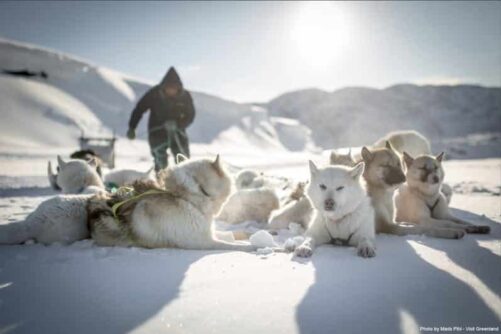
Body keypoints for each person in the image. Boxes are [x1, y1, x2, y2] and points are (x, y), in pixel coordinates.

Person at [127, 67, 195, 171]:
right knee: (160, 163)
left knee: (183, 160)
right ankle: (160, 181)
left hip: (178, 133)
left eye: (174, 88)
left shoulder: (185, 96)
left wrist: (179, 124)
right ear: (164, 86)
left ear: (178, 88)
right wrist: (132, 127)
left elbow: (191, 114)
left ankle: (185, 183)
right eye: (169, 88)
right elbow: (139, 109)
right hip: (157, 133)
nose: (171, 91)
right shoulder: (154, 94)